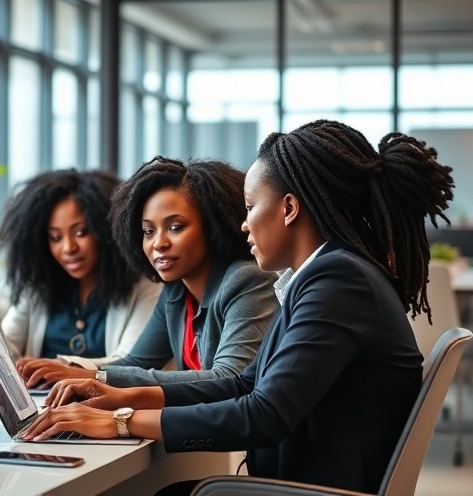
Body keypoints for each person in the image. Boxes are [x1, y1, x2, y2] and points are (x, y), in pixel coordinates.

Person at [23, 120, 455, 495]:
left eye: (251, 207)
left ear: (288, 208)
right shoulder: (324, 276)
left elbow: (262, 416)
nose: (244, 222)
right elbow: (245, 384)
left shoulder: (338, 281)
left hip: (310, 492)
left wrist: (121, 421)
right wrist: (122, 396)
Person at [18, 157, 277, 389]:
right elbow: (137, 362)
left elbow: (228, 377)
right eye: (148, 231)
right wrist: (68, 373)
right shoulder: (176, 291)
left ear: (212, 225)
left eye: (175, 227)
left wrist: (93, 379)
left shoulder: (247, 280)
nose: (158, 244)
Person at [0, 169, 162, 373]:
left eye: (80, 232)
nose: (68, 248)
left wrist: (63, 368)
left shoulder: (146, 285)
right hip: (42, 401)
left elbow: (132, 363)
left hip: (103, 403)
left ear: (107, 230)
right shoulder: (39, 285)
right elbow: (5, 350)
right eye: (55, 238)